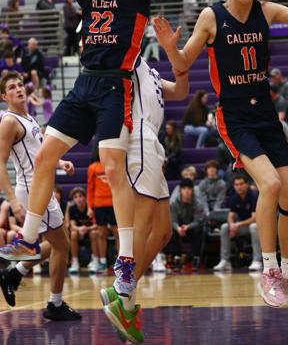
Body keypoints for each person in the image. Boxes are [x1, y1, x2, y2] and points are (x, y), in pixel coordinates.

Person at [0, 0, 152, 331]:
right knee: (43, 158)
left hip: (116, 87)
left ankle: (124, 260)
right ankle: (25, 240)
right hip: (84, 85)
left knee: (114, 170)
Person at [153, 0, 288, 315]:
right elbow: (182, 62)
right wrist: (168, 45)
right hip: (235, 116)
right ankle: (268, 270)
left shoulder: (267, 10)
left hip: (266, 114)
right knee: (271, 186)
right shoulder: (212, 17)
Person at [100, 54, 189, 342]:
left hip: (153, 140)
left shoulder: (149, 71)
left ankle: (121, 291)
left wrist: (180, 65)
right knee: (142, 219)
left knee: (162, 231)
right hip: (139, 135)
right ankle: (124, 297)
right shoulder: (129, 59)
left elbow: (180, 90)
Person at [0, 71, 80, 320]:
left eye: (20, 85)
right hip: (31, 188)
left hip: (40, 185)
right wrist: (13, 201)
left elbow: (39, 154)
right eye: (12, 87)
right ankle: (54, 304)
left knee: (58, 244)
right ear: (4, 96)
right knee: (62, 246)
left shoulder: (28, 117)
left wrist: (60, 163)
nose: (19, 89)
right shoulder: (9, 121)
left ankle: (14, 273)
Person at [213, 174, 261, 272]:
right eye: (236, 185)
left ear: (246, 185)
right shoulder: (234, 198)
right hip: (243, 226)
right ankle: (225, 261)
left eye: (241, 184)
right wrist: (232, 226)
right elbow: (230, 216)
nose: (239, 187)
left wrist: (238, 224)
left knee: (253, 226)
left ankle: (257, 260)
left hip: (259, 226)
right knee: (225, 227)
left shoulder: (253, 196)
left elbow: (255, 218)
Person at [87, 149, 117, 273]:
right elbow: (90, 187)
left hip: (114, 203)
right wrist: (90, 207)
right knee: (101, 234)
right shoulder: (93, 167)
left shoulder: (114, 164)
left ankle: (119, 262)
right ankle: (103, 262)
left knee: (118, 234)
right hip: (99, 205)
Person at [166, 178, 206, 266]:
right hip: (179, 227)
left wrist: (188, 227)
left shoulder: (198, 204)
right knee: (171, 230)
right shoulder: (173, 203)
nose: (187, 191)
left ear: (192, 190)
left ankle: (195, 256)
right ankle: (176, 256)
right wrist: (178, 228)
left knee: (200, 229)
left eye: (189, 189)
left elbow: (198, 221)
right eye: (184, 189)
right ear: (180, 190)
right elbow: (173, 221)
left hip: (192, 227)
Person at [68, 187, 99, 275]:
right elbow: (72, 225)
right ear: (73, 199)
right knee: (73, 234)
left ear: (85, 198)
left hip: (90, 230)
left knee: (94, 233)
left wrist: (87, 229)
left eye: (80, 196)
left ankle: (96, 260)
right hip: (79, 231)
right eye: (76, 197)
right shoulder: (72, 209)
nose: (78, 199)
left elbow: (98, 224)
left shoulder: (91, 208)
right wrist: (80, 229)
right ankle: (75, 262)